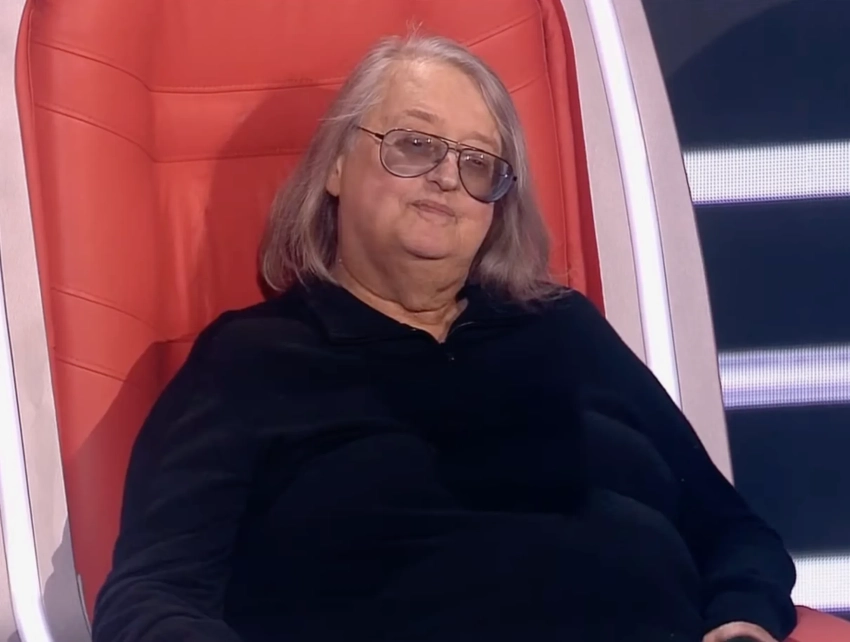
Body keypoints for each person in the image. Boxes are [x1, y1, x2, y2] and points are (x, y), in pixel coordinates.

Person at [91, 34, 797, 642]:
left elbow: (731, 531)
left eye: (478, 162)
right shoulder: (251, 359)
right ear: (336, 166)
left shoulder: (564, 326)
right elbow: (152, 593)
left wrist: (742, 620)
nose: (446, 179)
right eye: (414, 144)